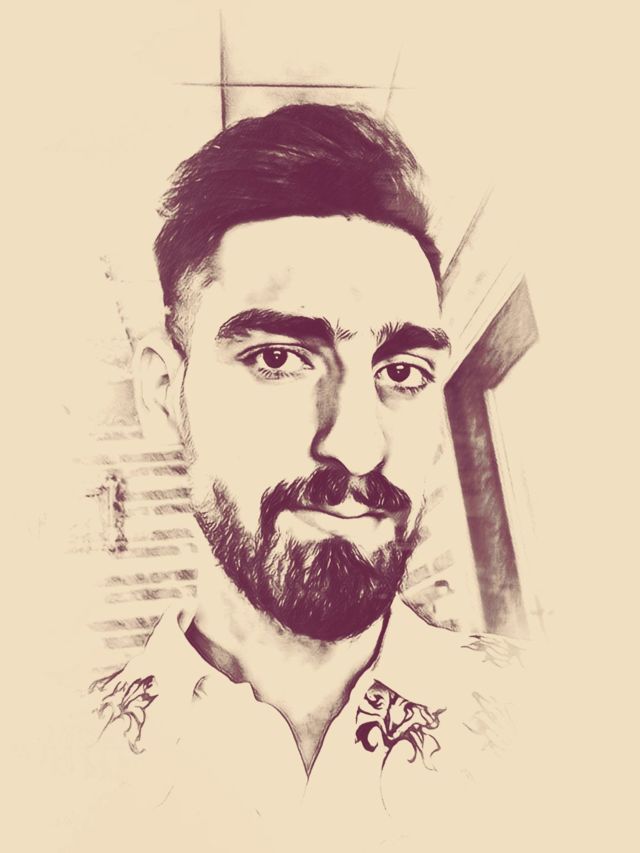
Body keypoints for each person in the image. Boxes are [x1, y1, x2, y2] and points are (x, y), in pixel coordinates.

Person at [85, 103, 528, 851]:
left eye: (403, 371)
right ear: (164, 396)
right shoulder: (57, 775)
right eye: (278, 358)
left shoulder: (557, 727)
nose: (358, 447)